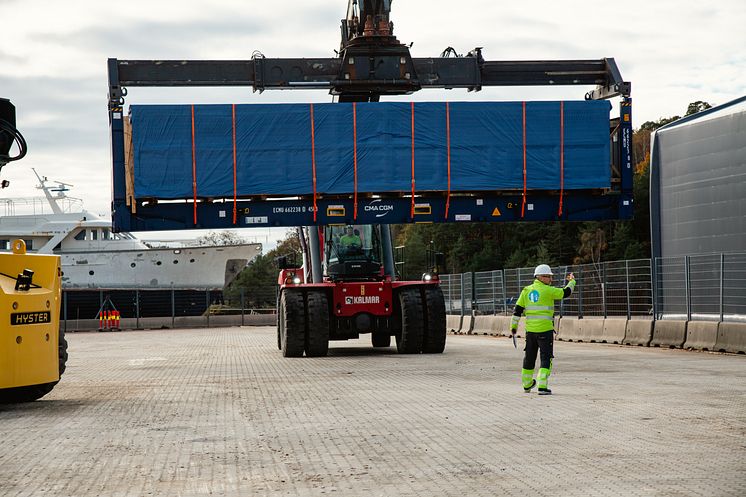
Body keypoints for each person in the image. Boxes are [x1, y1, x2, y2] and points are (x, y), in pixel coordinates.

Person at [510, 264, 576, 395]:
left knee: (529, 357)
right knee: (546, 358)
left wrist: (513, 327)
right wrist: (572, 281)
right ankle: (542, 386)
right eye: (549, 277)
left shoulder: (526, 290)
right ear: (540, 277)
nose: (551, 279)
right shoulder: (549, 291)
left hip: (530, 332)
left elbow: (517, 310)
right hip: (545, 332)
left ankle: (527, 384)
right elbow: (566, 292)